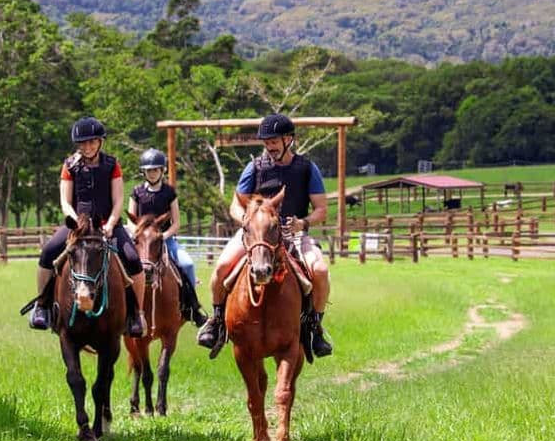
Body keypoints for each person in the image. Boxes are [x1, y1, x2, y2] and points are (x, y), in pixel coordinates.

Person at [197, 113, 333, 359]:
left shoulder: (306, 168)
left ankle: (315, 327)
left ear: (288, 139)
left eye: (274, 141)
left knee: (321, 271)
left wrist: (303, 223)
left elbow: (322, 209)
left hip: (293, 233)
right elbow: (235, 206)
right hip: (256, 234)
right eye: (266, 142)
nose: (270, 146)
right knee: (221, 267)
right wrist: (248, 222)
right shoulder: (255, 167)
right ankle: (216, 321)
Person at [29, 116, 147, 337]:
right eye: (83, 143)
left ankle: (135, 314)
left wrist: (111, 224)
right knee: (48, 253)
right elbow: (65, 200)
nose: (88, 146)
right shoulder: (69, 166)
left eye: (92, 142)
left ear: (100, 142)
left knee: (132, 259)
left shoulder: (112, 165)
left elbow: (119, 199)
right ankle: (42, 307)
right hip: (78, 224)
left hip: (107, 223)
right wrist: (74, 222)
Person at [127, 148, 208, 327]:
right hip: (141, 241)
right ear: (144, 172)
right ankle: (124, 309)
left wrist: (162, 236)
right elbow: (130, 219)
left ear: (162, 171)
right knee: (122, 264)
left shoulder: (169, 192)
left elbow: (176, 222)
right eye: (149, 170)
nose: (152, 173)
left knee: (187, 264)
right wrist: (138, 234)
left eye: (155, 169)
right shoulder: (137, 192)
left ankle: (193, 308)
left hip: (164, 238)